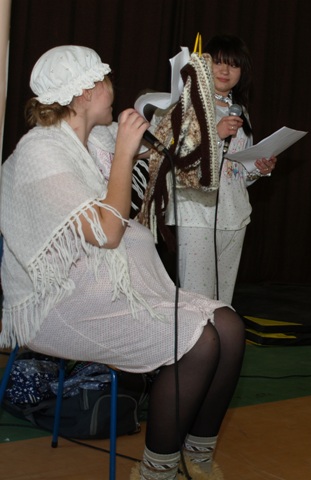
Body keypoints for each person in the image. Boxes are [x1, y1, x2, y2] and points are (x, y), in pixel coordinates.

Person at [0, 45, 245, 480]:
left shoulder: (96, 137)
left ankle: (197, 455)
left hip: (111, 285)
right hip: (60, 304)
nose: (113, 89)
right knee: (199, 342)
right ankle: (156, 470)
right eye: (105, 81)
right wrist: (125, 156)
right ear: (84, 93)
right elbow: (107, 232)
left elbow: (166, 144)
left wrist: (189, 101)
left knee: (229, 326)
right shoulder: (40, 153)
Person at [157, 34, 277, 304]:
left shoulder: (240, 111)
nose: (225, 70)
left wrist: (259, 168)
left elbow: (238, 174)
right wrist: (216, 134)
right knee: (198, 300)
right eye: (218, 62)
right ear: (205, 65)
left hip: (235, 214)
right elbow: (176, 159)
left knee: (223, 301)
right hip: (197, 214)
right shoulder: (188, 104)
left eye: (233, 65)